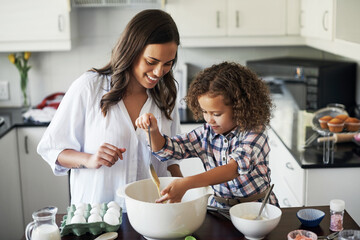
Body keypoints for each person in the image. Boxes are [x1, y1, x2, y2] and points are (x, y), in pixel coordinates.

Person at [37, 9, 183, 210]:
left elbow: (172, 158)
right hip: (96, 215)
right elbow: (51, 149)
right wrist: (89, 159)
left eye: (168, 64)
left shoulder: (166, 96)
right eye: (151, 62)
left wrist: (186, 191)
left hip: (150, 214)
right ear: (132, 50)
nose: (159, 72)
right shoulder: (90, 87)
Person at [135, 61, 279, 207]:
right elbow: (168, 150)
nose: (209, 120)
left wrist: (186, 183)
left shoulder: (255, 132)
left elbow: (233, 169)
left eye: (216, 114)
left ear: (240, 107)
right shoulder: (205, 134)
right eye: (204, 112)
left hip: (258, 208)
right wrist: (153, 131)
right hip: (220, 208)